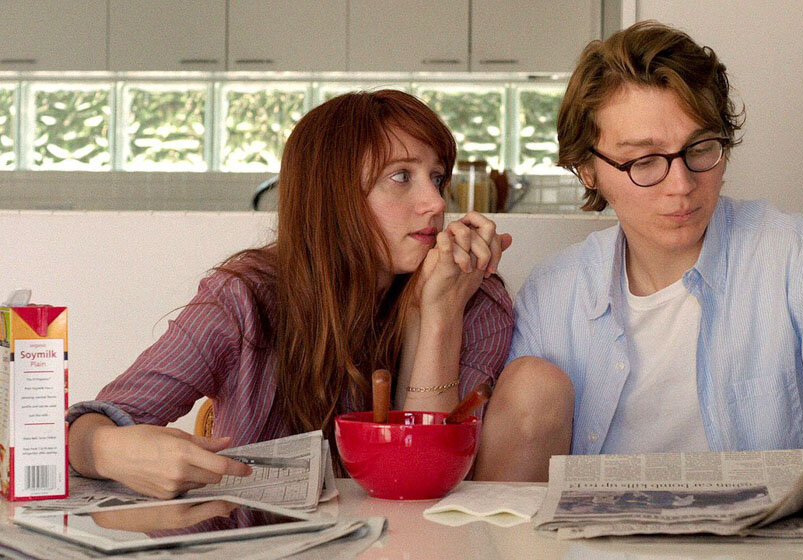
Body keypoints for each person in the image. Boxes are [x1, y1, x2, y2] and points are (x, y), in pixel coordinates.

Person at [507, 21, 803, 514]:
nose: (681, 185)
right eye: (644, 160)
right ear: (587, 168)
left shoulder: (801, 260)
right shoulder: (552, 295)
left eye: (700, 149)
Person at [66, 89, 559, 498]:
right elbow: (83, 430)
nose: (434, 202)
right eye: (401, 176)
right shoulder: (243, 299)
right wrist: (107, 450)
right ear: (333, 193)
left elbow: (418, 483)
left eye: (436, 178)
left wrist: (438, 316)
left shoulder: (475, 301)